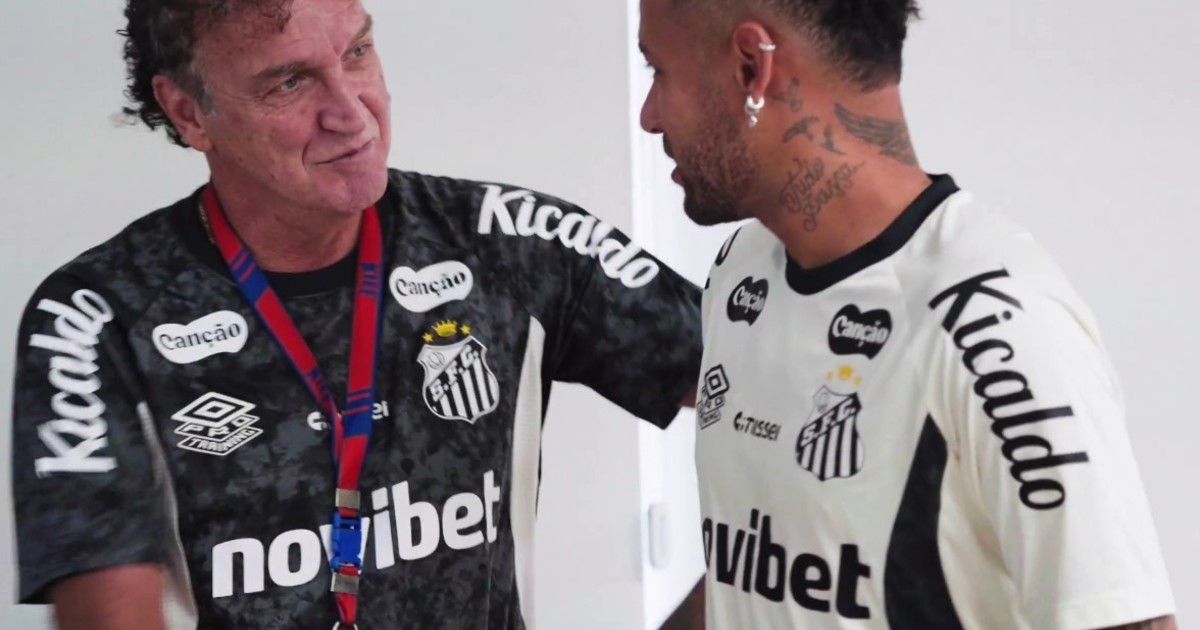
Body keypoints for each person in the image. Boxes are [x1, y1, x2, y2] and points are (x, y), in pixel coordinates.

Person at [9, 1, 704, 628]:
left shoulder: (513, 241)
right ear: (189, 112)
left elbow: (762, 386)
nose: (352, 112)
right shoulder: (96, 317)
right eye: (290, 82)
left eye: (357, 53)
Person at [637, 0, 1178, 628]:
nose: (649, 116)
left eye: (658, 71)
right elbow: (760, 570)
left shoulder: (996, 326)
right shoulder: (742, 271)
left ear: (752, 67)